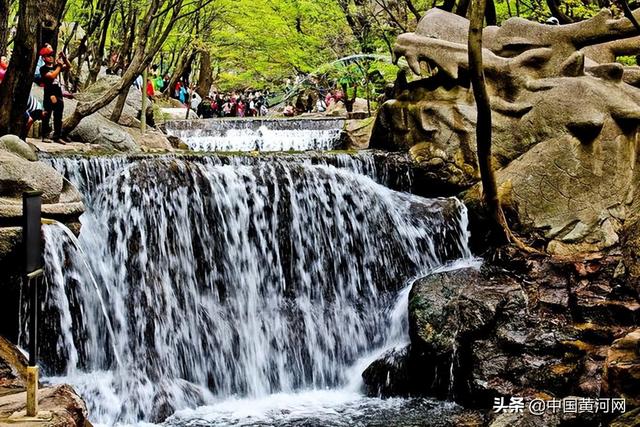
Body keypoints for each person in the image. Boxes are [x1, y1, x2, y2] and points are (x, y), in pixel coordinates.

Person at [39, 44, 70, 143]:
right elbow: (52, 76)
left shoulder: (56, 66)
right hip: (49, 95)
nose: (51, 57)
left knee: (58, 116)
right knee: (47, 115)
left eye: (51, 55)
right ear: (44, 58)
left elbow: (69, 66)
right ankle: (44, 136)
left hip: (58, 94)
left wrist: (64, 58)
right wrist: (59, 66)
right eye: (48, 56)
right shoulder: (43, 69)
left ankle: (57, 136)